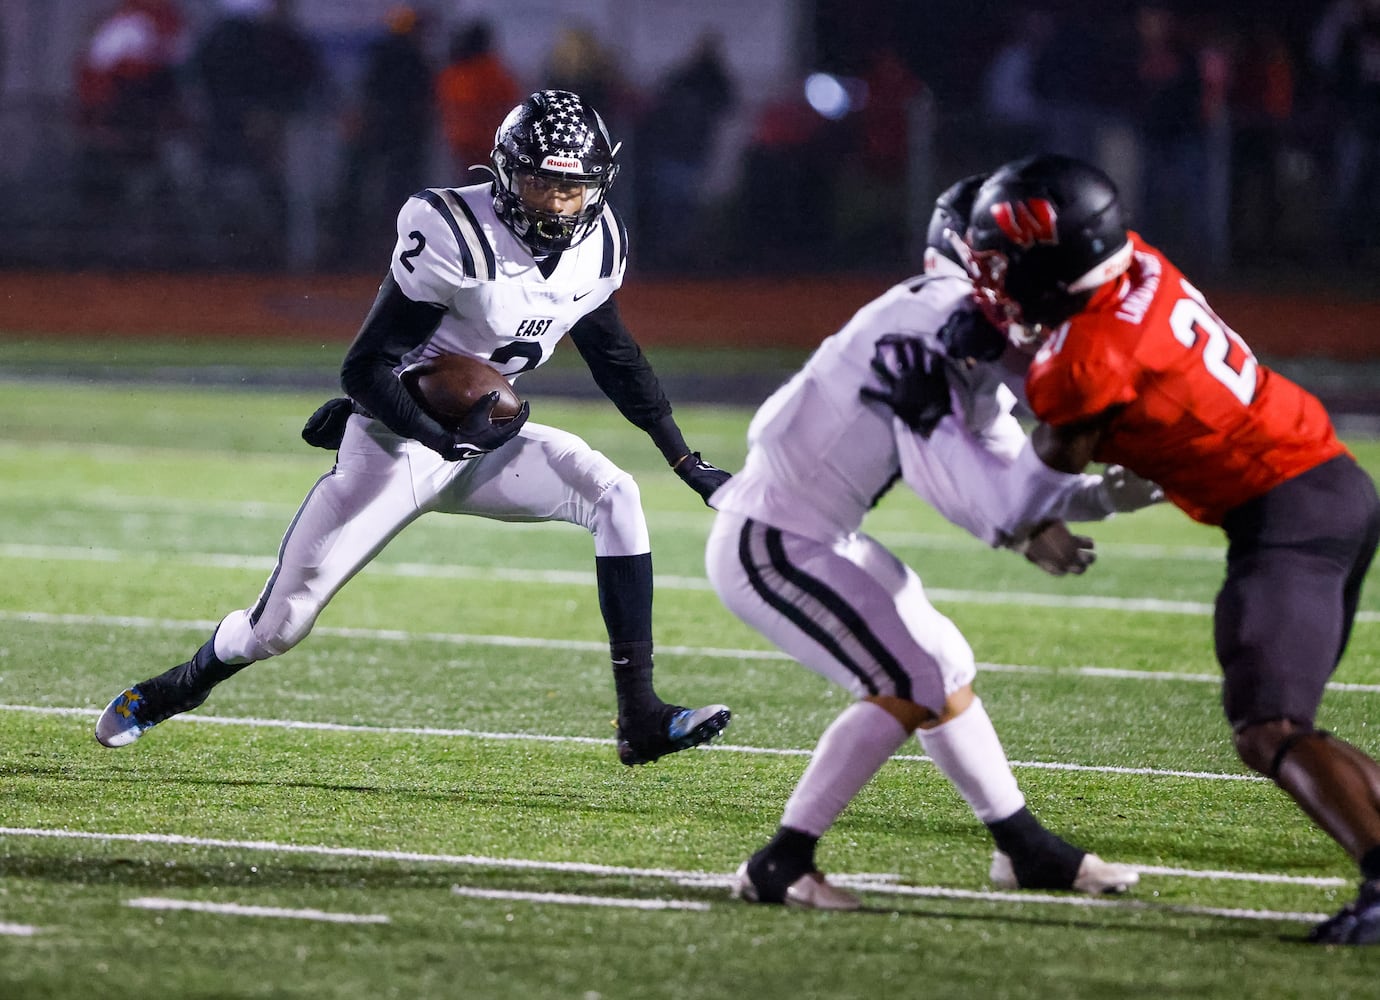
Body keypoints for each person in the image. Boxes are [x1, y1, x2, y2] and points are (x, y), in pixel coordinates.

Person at [95, 90, 734, 768]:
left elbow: (615, 356)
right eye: (542, 184)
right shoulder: (454, 230)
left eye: (571, 190)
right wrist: (436, 435)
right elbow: (362, 368)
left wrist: (686, 462)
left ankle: (640, 716)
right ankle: (174, 688)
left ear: (597, 189)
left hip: (485, 438)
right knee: (276, 629)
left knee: (614, 494)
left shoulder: (599, 245)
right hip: (396, 442)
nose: (555, 204)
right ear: (507, 173)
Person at [956, 153, 1380, 944]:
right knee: (1289, 728)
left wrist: (996, 365)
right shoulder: (1136, 261)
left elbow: (1040, 477)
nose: (998, 274)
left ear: (1055, 257)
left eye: (1008, 258)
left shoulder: (1089, 354)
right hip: (1324, 488)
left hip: (1287, 511)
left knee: (1269, 729)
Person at [705, 174, 1157, 909]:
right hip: (775, 537)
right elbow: (972, 496)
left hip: (818, 532)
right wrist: (1043, 518)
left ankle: (1025, 849)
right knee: (907, 681)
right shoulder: (933, 319)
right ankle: (780, 863)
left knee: (942, 665)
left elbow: (1008, 480)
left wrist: (1092, 498)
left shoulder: (959, 325)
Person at [434, 20, 522, 177]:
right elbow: (512, 102)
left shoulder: (454, 74)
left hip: (461, 143)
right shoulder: (495, 73)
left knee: (464, 189)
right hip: (490, 143)